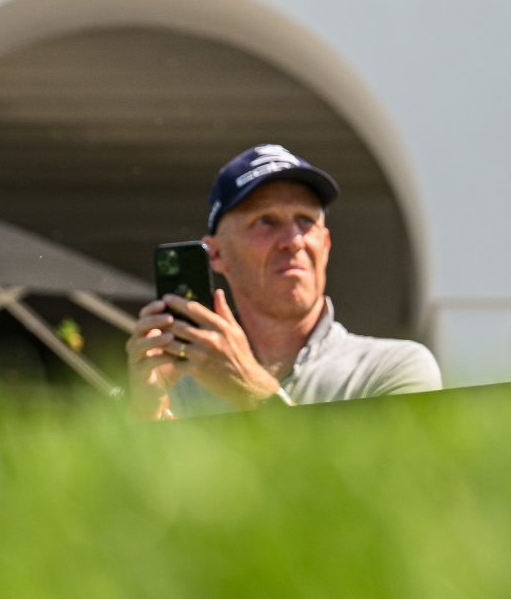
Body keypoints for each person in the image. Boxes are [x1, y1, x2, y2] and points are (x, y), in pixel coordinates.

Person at [128, 144, 441, 417]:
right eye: (266, 221)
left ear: (326, 245)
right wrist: (144, 416)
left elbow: (381, 484)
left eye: (306, 221)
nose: (293, 241)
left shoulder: (392, 368)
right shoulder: (178, 387)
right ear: (215, 255)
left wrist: (250, 390)